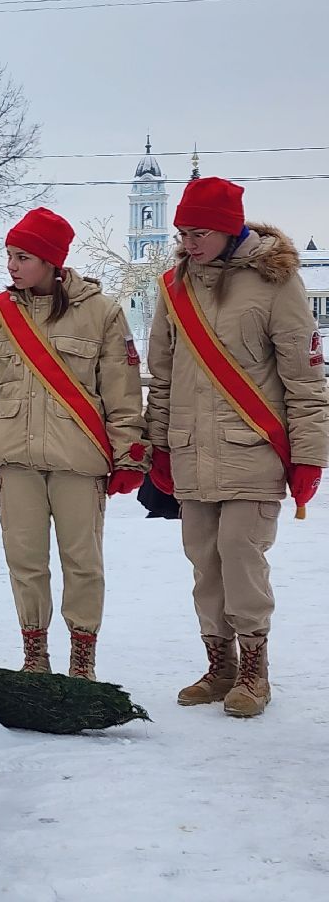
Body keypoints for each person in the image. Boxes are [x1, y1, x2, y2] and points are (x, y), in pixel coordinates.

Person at [146, 177, 327, 718]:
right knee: (204, 562)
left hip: (252, 447)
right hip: (191, 450)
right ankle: (219, 664)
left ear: (228, 230)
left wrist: (310, 457)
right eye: (183, 232)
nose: (189, 242)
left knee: (241, 557)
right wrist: (158, 446)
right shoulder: (173, 286)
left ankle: (254, 669)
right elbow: (162, 373)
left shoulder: (276, 282)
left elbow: (305, 378)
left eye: (199, 232)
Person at [0, 208, 147, 679]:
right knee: (25, 562)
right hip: (15, 458)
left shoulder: (102, 312)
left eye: (23, 256)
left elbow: (122, 393)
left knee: (82, 562)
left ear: (50, 260)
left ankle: (82, 659)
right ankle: (34, 655)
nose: (12, 266)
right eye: (9, 256)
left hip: (78, 459)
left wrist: (128, 455)